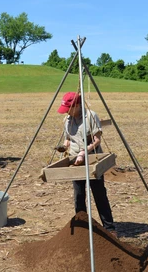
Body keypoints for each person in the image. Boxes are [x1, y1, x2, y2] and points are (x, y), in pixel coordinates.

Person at [56, 92, 116, 233]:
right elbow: (68, 139)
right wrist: (63, 147)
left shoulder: (90, 116)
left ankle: (109, 228)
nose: (67, 112)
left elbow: (97, 141)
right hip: (75, 162)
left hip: (92, 160)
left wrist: (83, 153)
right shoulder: (67, 120)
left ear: (77, 105)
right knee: (79, 195)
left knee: (99, 194)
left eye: (69, 108)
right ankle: (83, 228)